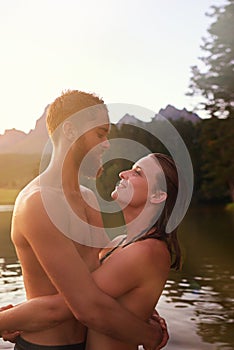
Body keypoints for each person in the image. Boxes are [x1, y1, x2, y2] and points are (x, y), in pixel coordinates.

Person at [0, 90, 167, 350]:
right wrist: (150, 336)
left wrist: (139, 305)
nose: (107, 144)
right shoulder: (37, 203)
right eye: (100, 133)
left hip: (89, 342)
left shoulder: (87, 197)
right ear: (69, 131)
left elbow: (103, 272)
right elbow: (85, 306)